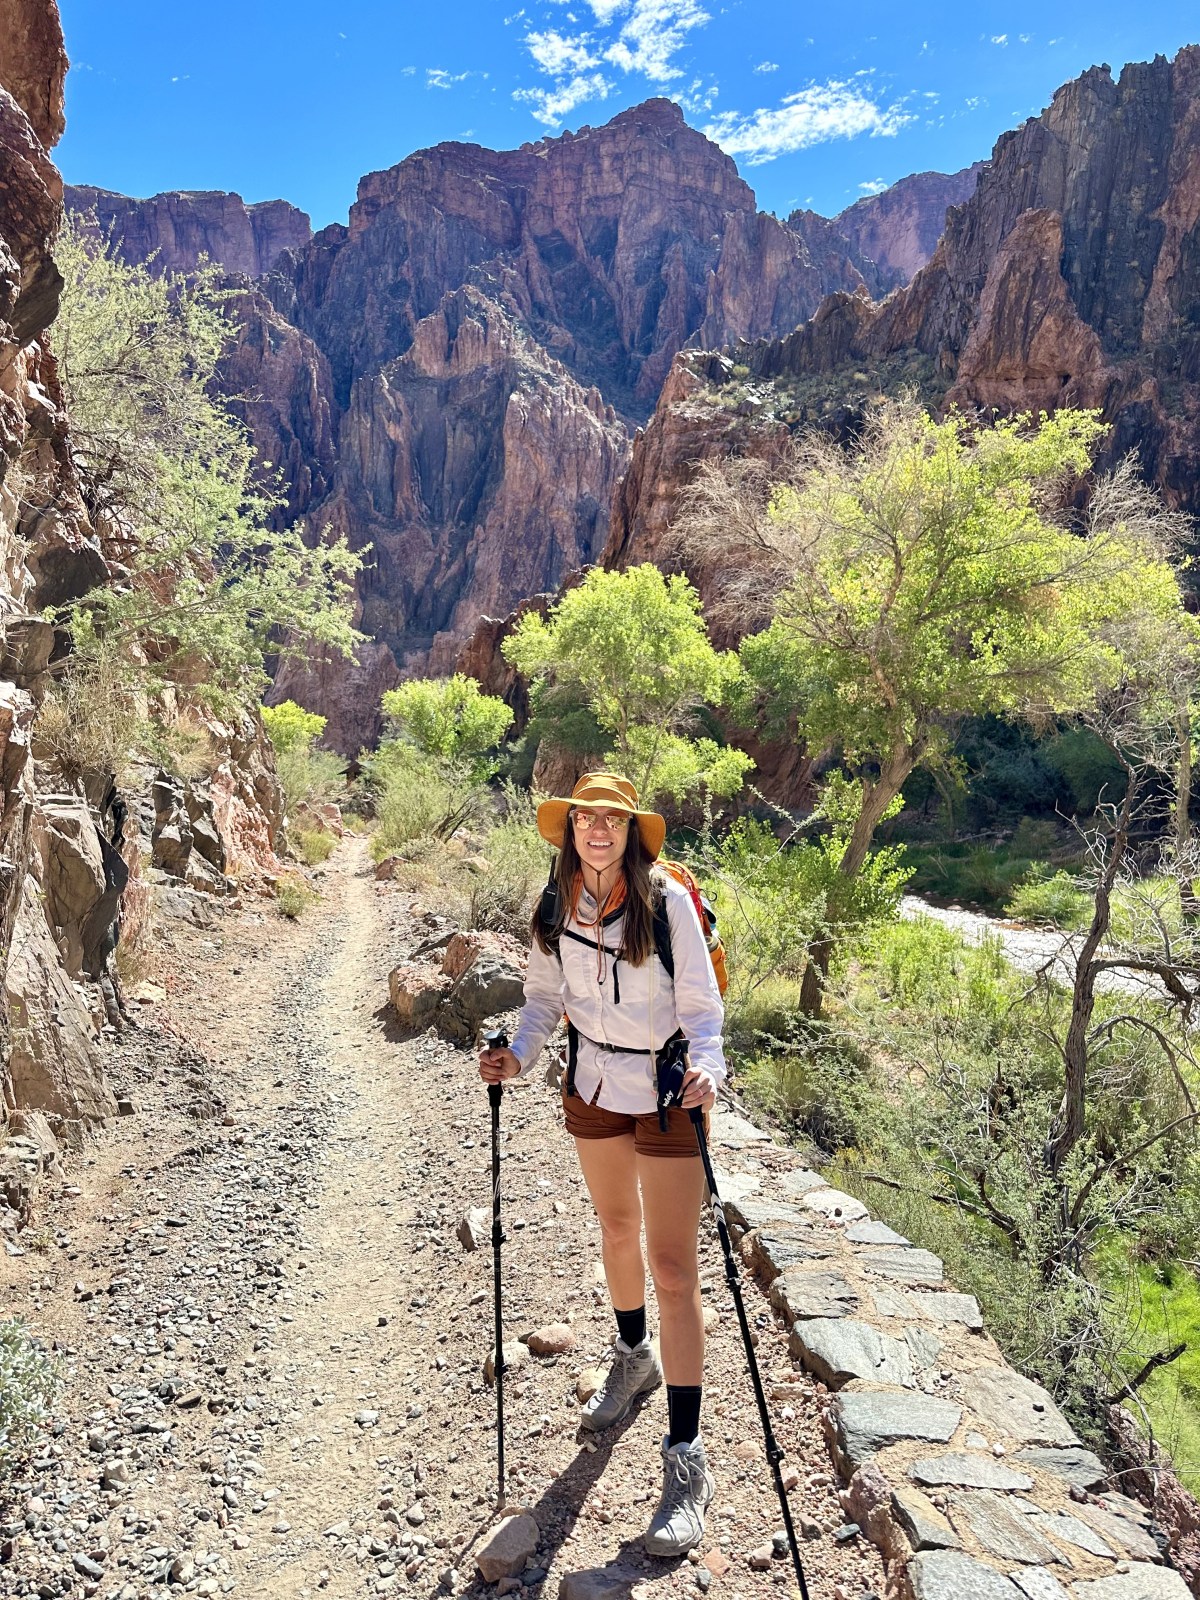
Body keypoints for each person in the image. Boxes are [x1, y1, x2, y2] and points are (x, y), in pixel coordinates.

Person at [478, 772, 726, 1557]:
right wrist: (517, 1057)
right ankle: (632, 1358)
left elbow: (702, 1010)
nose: (597, 830)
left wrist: (709, 1068)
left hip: (664, 1091)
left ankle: (686, 1460)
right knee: (618, 1234)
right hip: (591, 1087)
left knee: (675, 1269)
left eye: (611, 819)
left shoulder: (667, 905)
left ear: (630, 832)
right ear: (569, 829)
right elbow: (544, 1000)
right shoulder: (555, 908)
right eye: (586, 817)